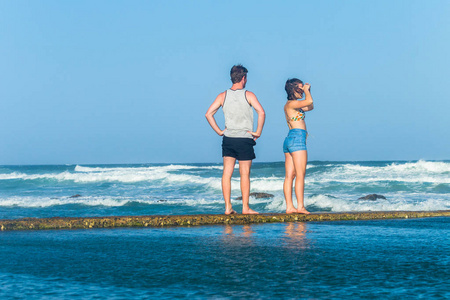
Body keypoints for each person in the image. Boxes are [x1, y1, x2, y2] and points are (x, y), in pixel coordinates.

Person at [205, 65, 265, 215]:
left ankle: (227, 208)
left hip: (229, 139)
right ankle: (245, 207)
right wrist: (258, 132)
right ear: (243, 78)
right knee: (244, 173)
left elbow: (208, 114)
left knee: (227, 173)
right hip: (244, 138)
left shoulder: (222, 95)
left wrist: (219, 131)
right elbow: (261, 112)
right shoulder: (249, 95)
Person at [283, 78, 314, 214]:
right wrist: (307, 92)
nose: (302, 91)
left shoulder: (294, 105)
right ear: (294, 89)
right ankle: (299, 206)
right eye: (300, 88)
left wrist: (308, 91)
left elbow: (310, 106)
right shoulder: (291, 104)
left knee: (290, 175)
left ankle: (290, 207)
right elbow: (310, 101)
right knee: (300, 174)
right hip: (297, 138)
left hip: (290, 138)